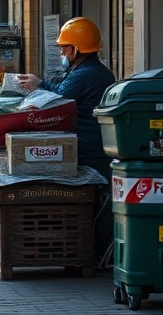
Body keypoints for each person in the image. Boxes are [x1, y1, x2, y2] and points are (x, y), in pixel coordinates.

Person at [17, 17, 117, 256]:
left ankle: (97, 254)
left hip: (90, 148)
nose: (62, 52)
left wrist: (39, 84)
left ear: (76, 49)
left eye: (64, 48)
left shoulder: (88, 73)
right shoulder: (87, 69)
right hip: (90, 144)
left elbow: (61, 97)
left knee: (93, 204)